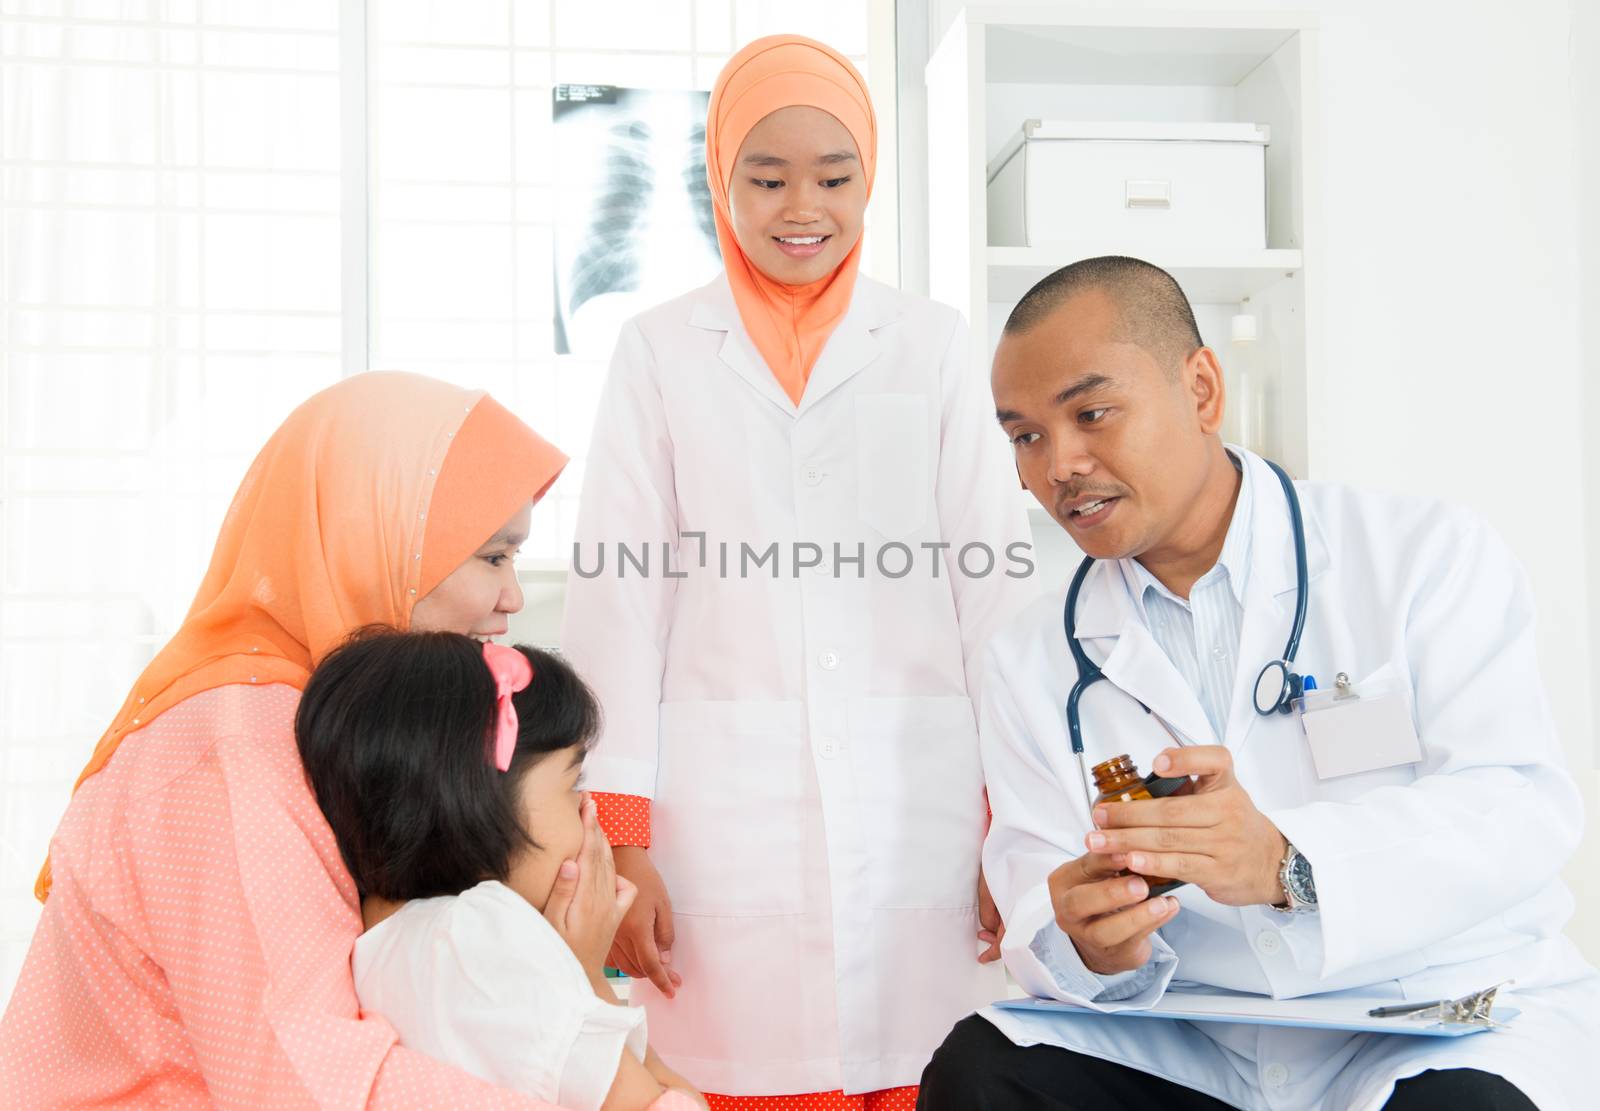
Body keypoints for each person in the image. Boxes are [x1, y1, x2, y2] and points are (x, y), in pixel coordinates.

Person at [918, 256, 1600, 1111]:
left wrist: (1287, 863)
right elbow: (1033, 886)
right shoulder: (1031, 657)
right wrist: (1088, 940)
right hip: (1196, 1042)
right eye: (1025, 436)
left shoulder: (1422, 557)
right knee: (982, 1072)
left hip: (1426, 1015)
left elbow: (1518, 807)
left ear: (1202, 389)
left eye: (1091, 413)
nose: (1059, 465)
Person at [560, 34, 1032, 1110]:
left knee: (930, 1068)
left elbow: (993, 594)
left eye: (835, 176)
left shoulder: (932, 344)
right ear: (718, 180)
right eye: (765, 179)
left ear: (871, 178)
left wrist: (1018, 817)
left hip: (922, 799)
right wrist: (624, 844)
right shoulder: (661, 351)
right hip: (721, 815)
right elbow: (617, 606)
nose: (800, 206)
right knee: (737, 1070)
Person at [0, 372, 576, 1108]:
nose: (513, 598)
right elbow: (307, 1082)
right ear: (377, 542)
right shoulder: (236, 750)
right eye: (493, 557)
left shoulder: (315, 725)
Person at [294, 628, 706, 1111]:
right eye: (574, 783)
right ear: (476, 803)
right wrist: (588, 975)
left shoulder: (390, 934)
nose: (588, 810)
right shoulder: (484, 937)